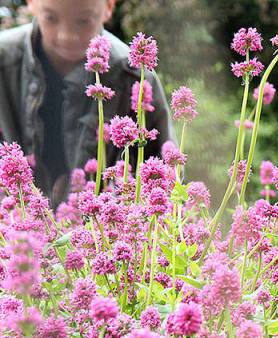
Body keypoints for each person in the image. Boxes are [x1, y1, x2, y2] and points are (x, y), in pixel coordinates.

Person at [0, 0, 172, 205]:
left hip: (103, 232)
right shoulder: (3, 60)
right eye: (51, 18)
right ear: (31, 3)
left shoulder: (136, 77)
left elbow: (166, 180)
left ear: (109, 7)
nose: (67, 35)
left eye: (83, 21)